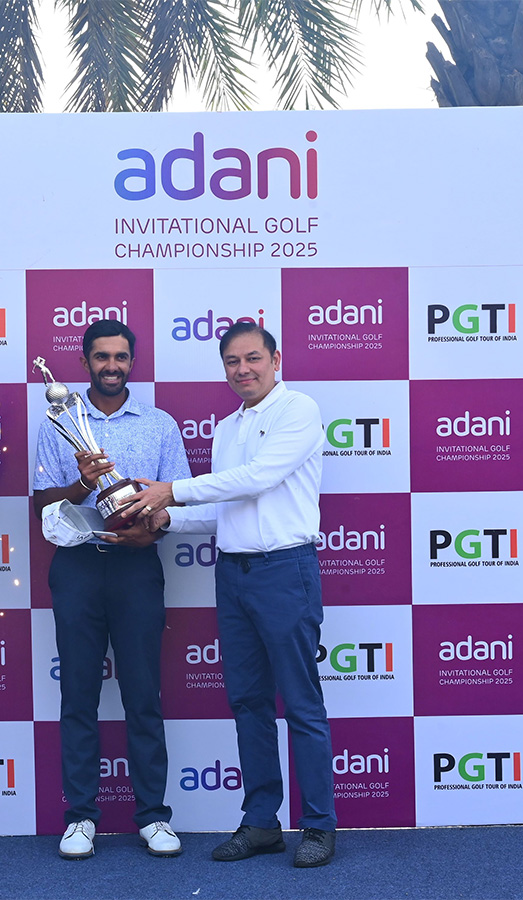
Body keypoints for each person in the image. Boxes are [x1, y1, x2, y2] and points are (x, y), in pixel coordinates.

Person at [119, 321, 337, 868]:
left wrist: (171, 489)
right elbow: (222, 510)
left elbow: (259, 478)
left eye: (252, 358)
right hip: (234, 574)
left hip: (286, 570)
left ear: (276, 359)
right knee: (247, 703)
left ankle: (318, 826)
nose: (243, 369)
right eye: (232, 362)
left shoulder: (299, 410)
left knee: (303, 706)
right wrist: (164, 517)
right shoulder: (225, 427)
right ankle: (262, 822)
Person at [32, 319, 190, 860]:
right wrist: (82, 479)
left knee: (144, 695)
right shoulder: (57, 422)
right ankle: (80, 818)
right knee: (78, 695)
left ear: (133, 361)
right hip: (76, 568)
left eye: (121, 357)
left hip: (137, 567)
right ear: (84, 362)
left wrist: (153, 529)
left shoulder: (160, 424)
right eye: (101, 357)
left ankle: (153, 817)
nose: (111, 366)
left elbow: (176, 502)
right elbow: (41, 505)